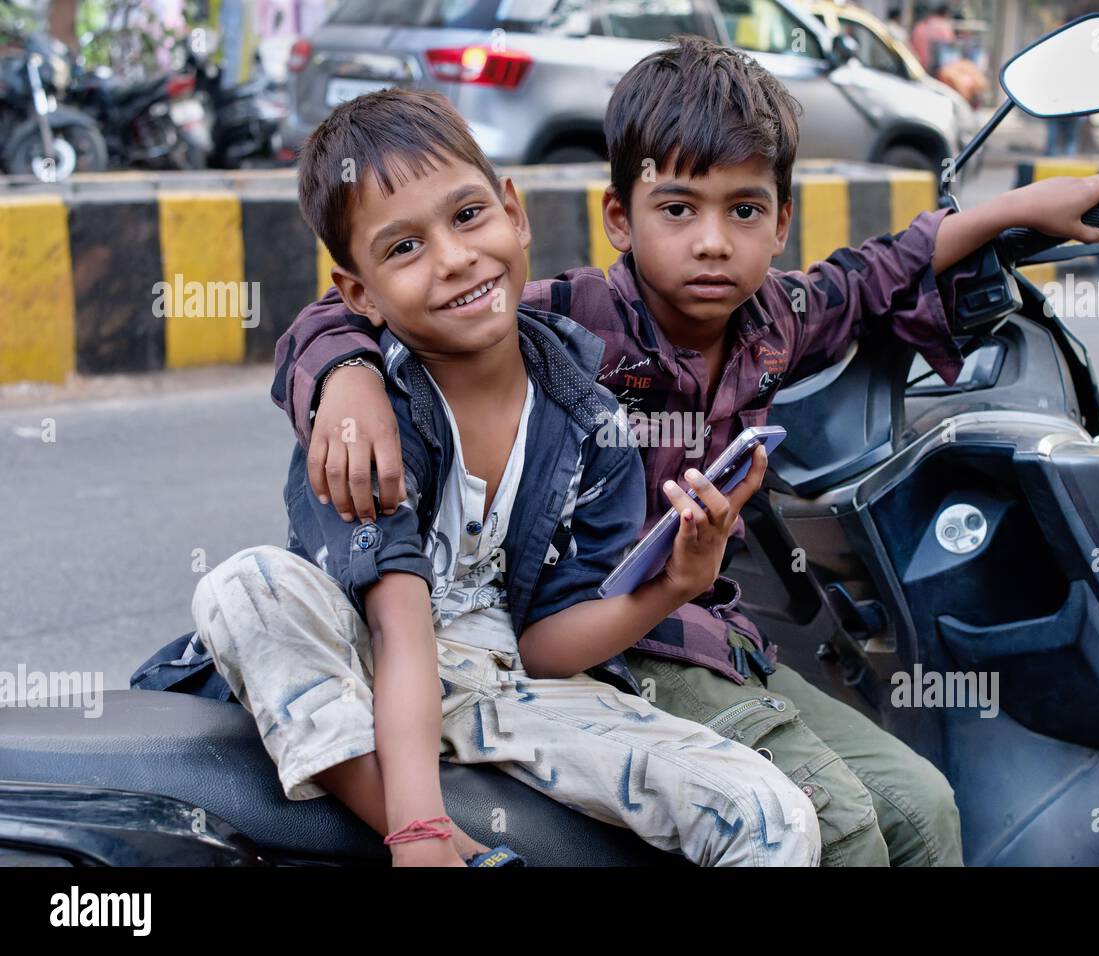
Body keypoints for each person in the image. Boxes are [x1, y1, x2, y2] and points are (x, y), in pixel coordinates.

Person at [272, 36, 1099, 866]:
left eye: (745, 211)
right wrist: (345, 372)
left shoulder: (773, 323)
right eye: (678, 210)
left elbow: (876, 273)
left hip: (721, 635)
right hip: (617, 646)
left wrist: (1015, 210)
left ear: (780, 223)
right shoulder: (567, 328)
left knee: (925, 809)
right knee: (839, 827)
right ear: (620, 216)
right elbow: (383, 304)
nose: (713, 242)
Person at [192, 86, 824, 867]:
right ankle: (435, 839)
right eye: (403, 248)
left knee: (772, 817)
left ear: (514, 212)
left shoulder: (590, 417)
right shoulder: (369, 417)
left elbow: (550, 648)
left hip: (517, 692)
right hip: (370, 668)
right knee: (246, 584)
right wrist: (419, 836)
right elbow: (398, 627)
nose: (455, 258)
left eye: (466, 216)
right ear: (358, 295)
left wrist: (674, 585)